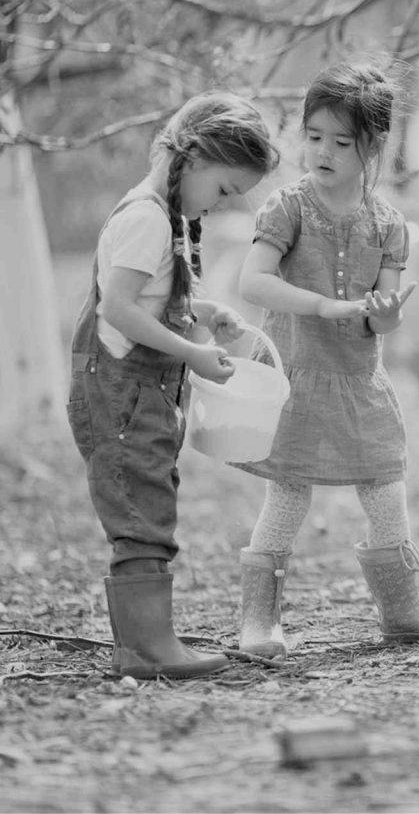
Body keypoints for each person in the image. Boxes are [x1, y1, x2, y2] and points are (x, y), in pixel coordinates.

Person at [232, 60, 419, 658]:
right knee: (288, 494)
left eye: (341, 142)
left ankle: (404, 610)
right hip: (295, 376)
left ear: (372, 146)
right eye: (314, 136)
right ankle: (259, 620)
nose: (324, 151)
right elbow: (253, 283)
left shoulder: (388, 222)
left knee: (385, 487)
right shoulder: (288, 208)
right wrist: (324, 307)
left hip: (359, 380)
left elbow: (381, 317)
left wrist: (386, 313)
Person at [66, 93, 278, 680]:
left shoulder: (164, 217)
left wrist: (203, 311)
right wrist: (193, 353)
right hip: (122, 396)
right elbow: (121, 307)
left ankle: (149, 639)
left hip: (143, 396)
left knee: (150, 501)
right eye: (225, 190)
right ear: (197, 156)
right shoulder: (144, 220)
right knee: (139, 510)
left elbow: (155, 296)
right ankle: (144, 648)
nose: (221, 205)